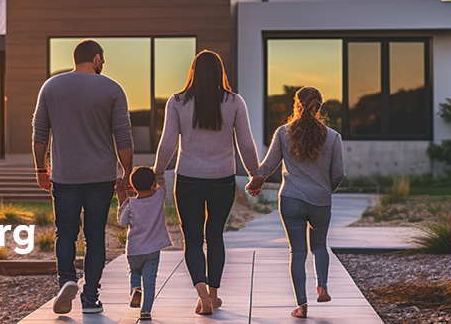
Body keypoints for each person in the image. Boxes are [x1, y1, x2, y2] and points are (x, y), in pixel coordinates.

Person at [32, 39, 135, 315]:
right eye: (103, 59)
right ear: (97, 58)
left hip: (64, 175)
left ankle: (66, 280)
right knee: (94, 236)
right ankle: (90, 298)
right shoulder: (112, 89)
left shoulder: (51, 86)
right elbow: (123, 137)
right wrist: (126, 173)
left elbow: (39, 132)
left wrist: (41, 169)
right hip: (100, 177)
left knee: (65, 232)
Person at [153, 50, 259, 315]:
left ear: (193, 71)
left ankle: (201, 294)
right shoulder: (234, 102)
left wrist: (157, 172)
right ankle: (212, 294)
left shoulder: (177, 102)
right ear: (219, 72)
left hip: (187, 178)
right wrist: (255, 174)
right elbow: (245, 142)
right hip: (222, 180)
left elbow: (167, 142)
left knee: (192, 239)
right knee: (215, 236)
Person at [247, 86, 344, 319]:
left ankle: (302, 306)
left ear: (296, 105)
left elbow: (267, 166)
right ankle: (322, 287)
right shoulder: (333, 137)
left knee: (297, 252)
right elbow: (338, 173)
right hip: (320, 200)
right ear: (319, 107)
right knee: (319, 246)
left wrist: (254, 182)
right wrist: (324, 190)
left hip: (291, 199)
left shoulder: (283, 133)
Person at [118, 166, 173, 321]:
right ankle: (145, 311)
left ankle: (135, 290)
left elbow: (122, 221)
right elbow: (161, 185)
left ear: (133, 185)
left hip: (134, 249)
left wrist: (122, 203)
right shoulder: (159, 195)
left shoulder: (131, 203)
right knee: (149, 281)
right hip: (152, 250)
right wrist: (158, 178)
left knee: (134, 273)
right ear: (153, 183)